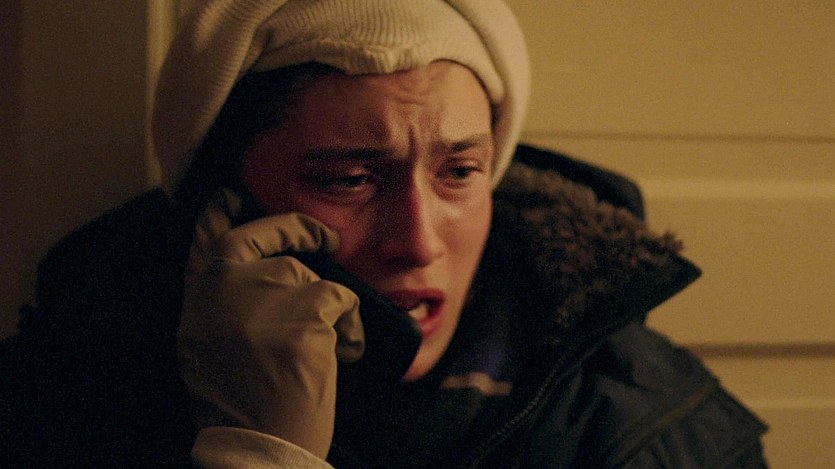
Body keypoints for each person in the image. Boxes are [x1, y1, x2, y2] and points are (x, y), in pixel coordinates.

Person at [0, 1, 768, 467]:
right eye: (347, 179)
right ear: (224, 207)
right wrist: (256, 447)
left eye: (459, 171)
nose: (419, 241)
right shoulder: (58, 402)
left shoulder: (656, 424)